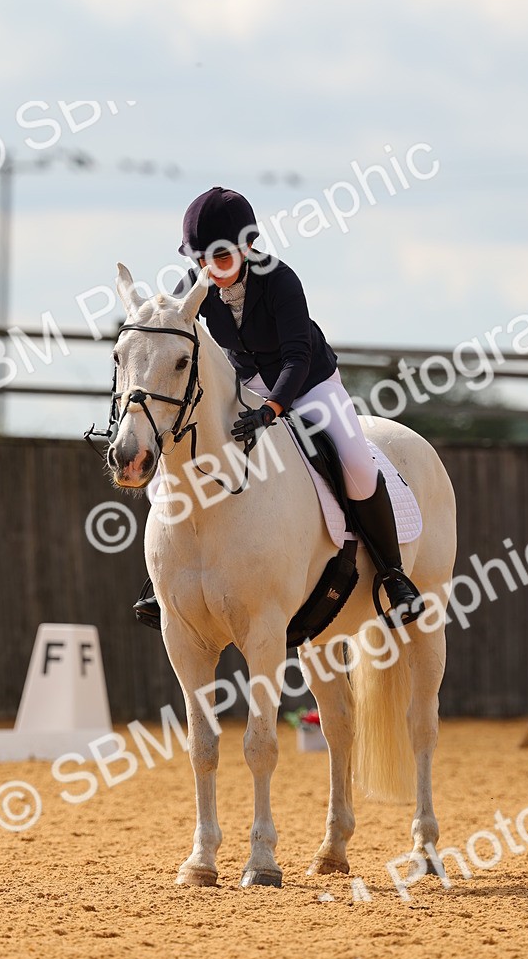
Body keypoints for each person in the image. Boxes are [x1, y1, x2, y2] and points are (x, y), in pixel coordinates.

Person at [133, 186, 424, 629]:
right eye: (201, 261)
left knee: (359, 466)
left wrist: (271, 410)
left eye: (223, 259)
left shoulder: (280, 280)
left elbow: (296, 357)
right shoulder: (197, 286)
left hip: (309, 385)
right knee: (170, 467)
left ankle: (392, 574)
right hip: (243, 385)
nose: (212, 270)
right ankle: (161, 579)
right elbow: (173, 332)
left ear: (248, 247)